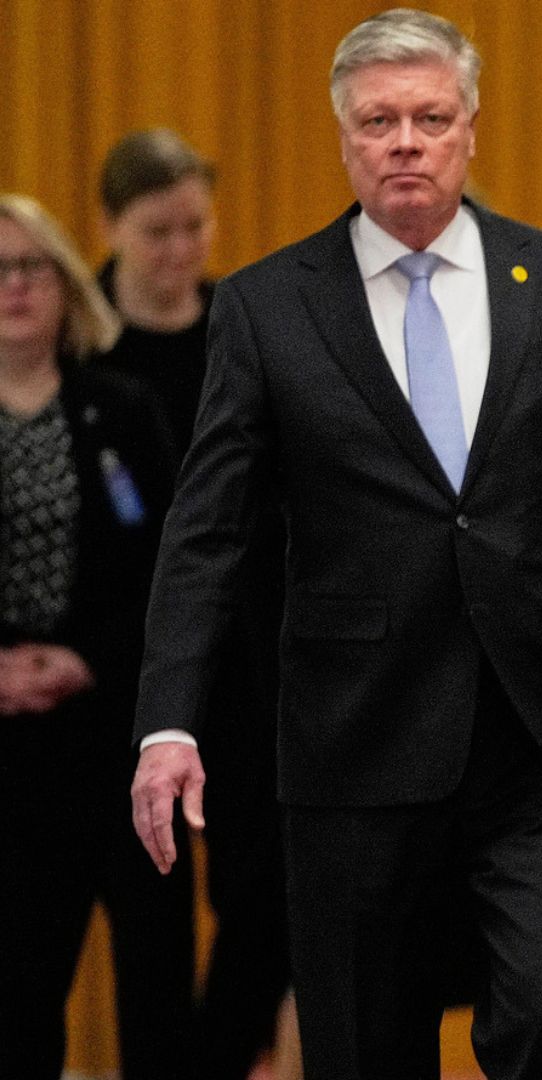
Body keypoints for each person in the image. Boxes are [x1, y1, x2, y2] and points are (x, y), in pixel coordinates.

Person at [126, 10, 542, 1078]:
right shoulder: (267, 308)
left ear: (471, 129)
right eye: (378, 120)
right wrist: (168, 723)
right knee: (362, 1044)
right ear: (343, 139)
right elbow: (207, 534)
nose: (405, 141)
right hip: (355, 742)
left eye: (430, 117)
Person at [93, 127, 294, 1080]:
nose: (179, 251)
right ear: (112, 228)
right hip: (130, 669)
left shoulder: (240, 325)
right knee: (151, 914)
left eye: (195, 227)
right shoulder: (85, 337)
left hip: (248, 657)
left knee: (267, 894)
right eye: (155, 231)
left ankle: (211, 1064)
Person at [0, 193, 192, 1078]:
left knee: (156, 988)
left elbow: (172, 567)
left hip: (117, 736)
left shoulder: (121, 407)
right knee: (19, 991)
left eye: (29, 267)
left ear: (67, 283)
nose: (12, 288)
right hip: (8, 759)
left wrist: (84, 658)